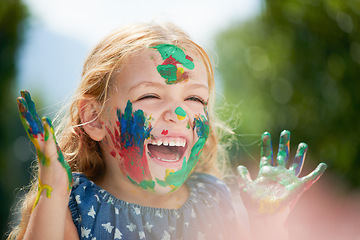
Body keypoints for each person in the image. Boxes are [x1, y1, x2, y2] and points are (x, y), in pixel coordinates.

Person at [8, 22, 327, 240]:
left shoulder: (212, 200)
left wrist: (268, 221)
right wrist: (52, 190)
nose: (177, 113)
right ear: (94, 119)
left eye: (194, 99)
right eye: (150, 96)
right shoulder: (75, 204)